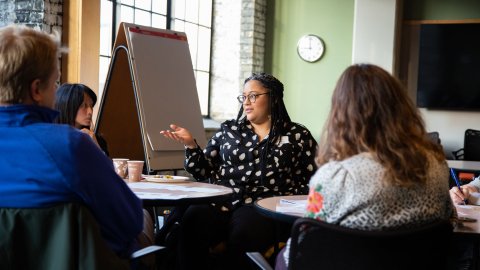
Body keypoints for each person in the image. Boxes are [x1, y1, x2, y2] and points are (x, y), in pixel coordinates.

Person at [276, 64, 455, 269]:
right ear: (400, 108)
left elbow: (305, 244)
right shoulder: (436, 164)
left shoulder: (336, 177)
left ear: (341, 115)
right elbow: (449, 217)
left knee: (283, 258)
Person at [0, 25, 153, 261]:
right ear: (36, 90)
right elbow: (128, 222)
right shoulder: (69, 146)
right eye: (55, 84)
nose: (56, 91)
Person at [160, 72, 318, 269]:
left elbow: (315, 177)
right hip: (222, 201)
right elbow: (202, 170)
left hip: (262, 205)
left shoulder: (297, 135)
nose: (246, 102)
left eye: (253, 96)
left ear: (273, 98)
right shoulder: (229, 130)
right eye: (244, 97)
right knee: (193, 218)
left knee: (244, 232)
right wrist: (190, 145)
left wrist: (291, 202)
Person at [55, 83, 109, 156]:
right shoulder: (53, 141)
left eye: (91, 106)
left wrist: (96, 147)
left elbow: (108, 167)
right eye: (84, 106)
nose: (90, 111)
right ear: (67, 107)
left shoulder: (97, 140)